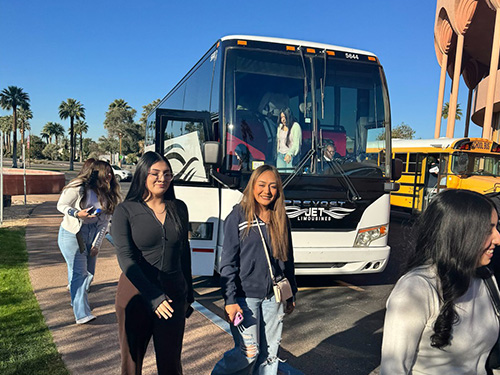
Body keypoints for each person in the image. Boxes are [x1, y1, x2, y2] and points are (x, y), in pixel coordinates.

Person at [380, 189, 500, 374]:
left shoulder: (485, 278)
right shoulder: (416, 289)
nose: (498, 238)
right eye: (488, 230)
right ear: (460, 233)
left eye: (497, 228)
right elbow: (393, 369)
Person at [111, 151, 193, 375]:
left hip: (173, 294)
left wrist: (189, 294)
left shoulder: (179, 208)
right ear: (142, 175)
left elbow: (183, 252)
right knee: (131, 364)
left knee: (171, 364)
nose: (162, 178)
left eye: (167, 174)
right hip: (136, 294)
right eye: (155, 173)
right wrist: (154, 297)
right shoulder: (125, 211)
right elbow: (126, 259)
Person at [212, 164, 297, 375]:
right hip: (244, 298)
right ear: (252, 186)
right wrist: (230, 300)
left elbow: (288, 259)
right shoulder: (238, 216)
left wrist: (291, 292)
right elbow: (228, 262)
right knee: (248, 351)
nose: (266, 191)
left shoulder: (280, 218)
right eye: (261, 185)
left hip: (273, 297)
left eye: (273, 186)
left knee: (269, 355)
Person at [57, 159, 121, 324]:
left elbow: (104, 221)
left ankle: (76, 298)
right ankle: (82, 314)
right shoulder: (79, 187)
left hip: (92, 233)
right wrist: (77, 213)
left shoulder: (107, 193)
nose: (109, 175)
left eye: (110, 172)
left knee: (89, 273)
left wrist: (97, 244)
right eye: (105, 172)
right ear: (95, 172)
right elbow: (61, 205)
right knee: (80, 272)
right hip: (74, 233)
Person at [276, 108, 302, 172]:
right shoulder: (280, 127)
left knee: (289, 176)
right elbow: (278, 142)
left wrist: (289, 154)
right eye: (281, 117)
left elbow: (296, 144)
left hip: (290, 156)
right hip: (280, 155)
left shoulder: (295, 126)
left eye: (285, 117)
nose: (283, 119)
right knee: (280, 176)